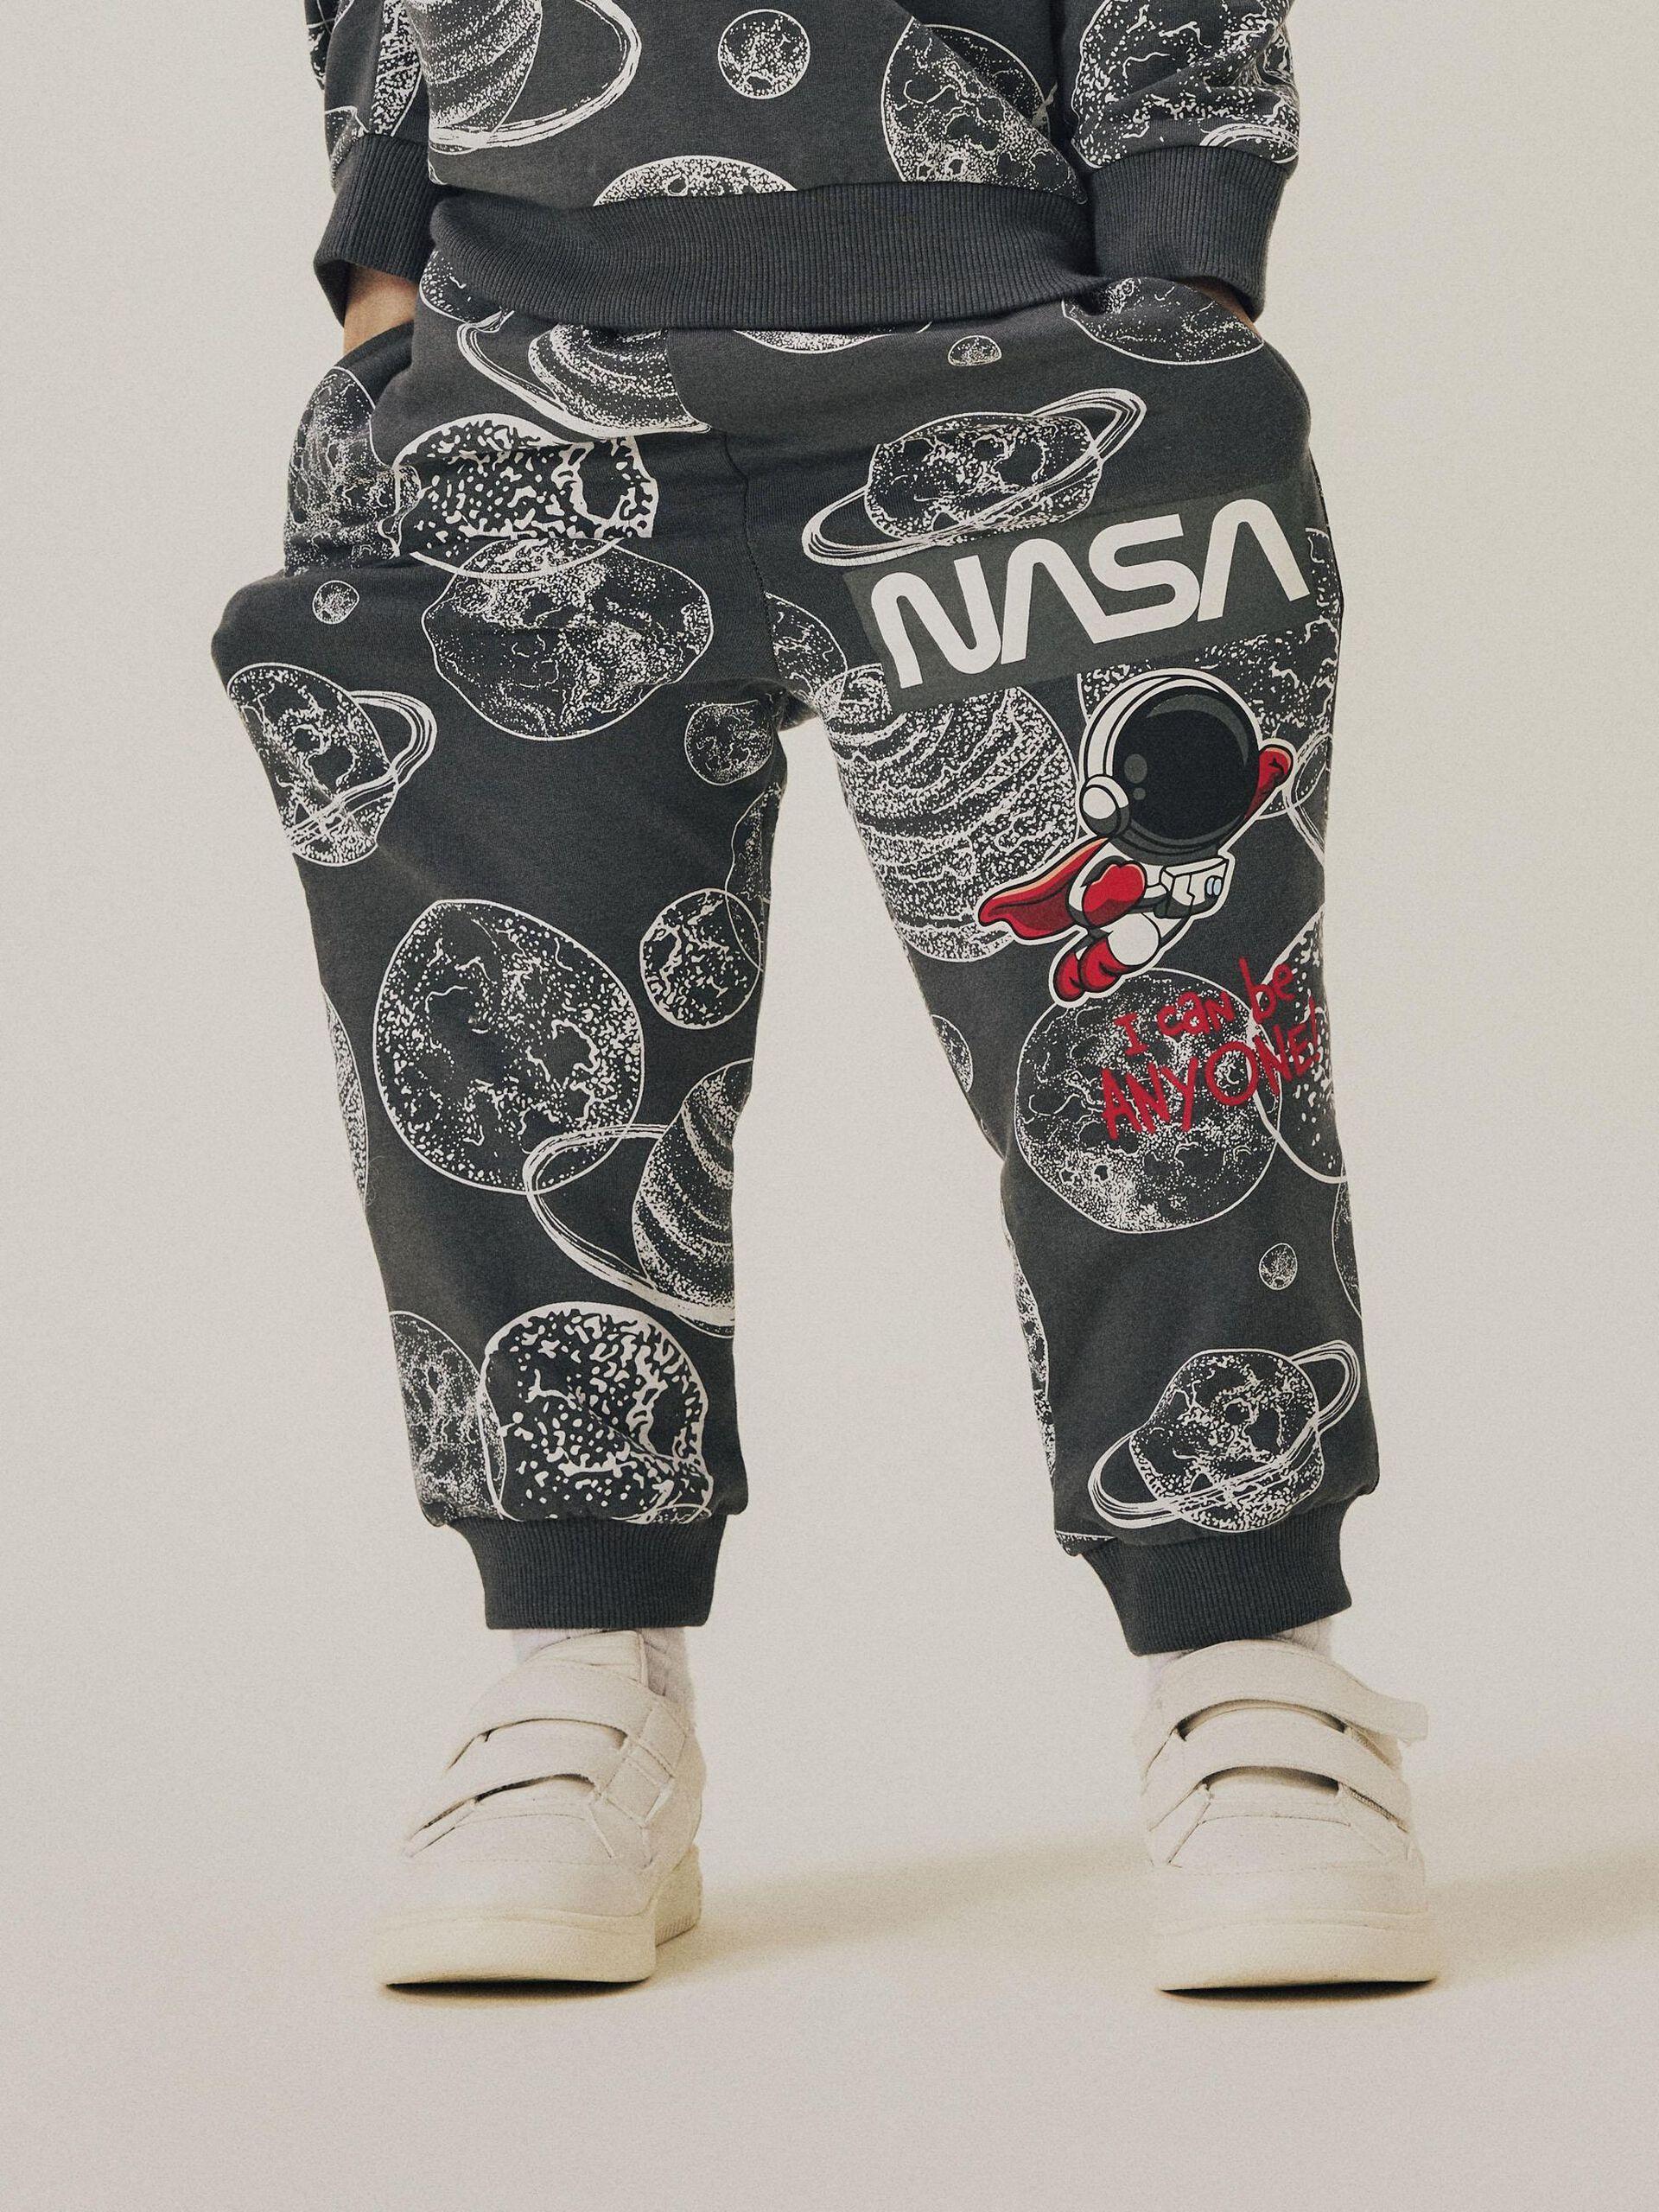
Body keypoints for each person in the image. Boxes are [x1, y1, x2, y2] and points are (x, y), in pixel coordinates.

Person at [214, 2, 1435, 1993]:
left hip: (1042, 346)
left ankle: (1251, 1668)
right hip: (507, 371)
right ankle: (584, 1674)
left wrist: (1182, 266)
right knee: (506, 1054)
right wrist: (386, 267)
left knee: (1160, 1031)